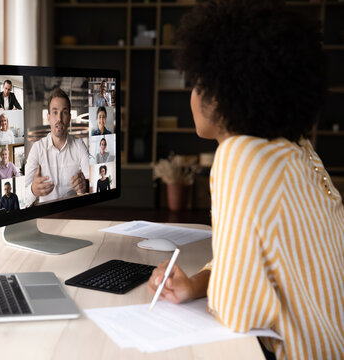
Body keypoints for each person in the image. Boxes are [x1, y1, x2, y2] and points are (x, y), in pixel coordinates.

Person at [147, 1, 343, 359]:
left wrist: (216, 291)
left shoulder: (240, 156)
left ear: (223, 92)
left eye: (198, 82)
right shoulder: (297, 150)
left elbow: (239, 312)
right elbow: (254, 261)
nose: (193, 93)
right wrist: (195, 285)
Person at [24, 88, 89, 205]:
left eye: (64, 112)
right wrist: (33, 190)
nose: (59, 119)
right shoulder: (37, 149)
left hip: (73, 212)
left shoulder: (79, 145)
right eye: (55, 112)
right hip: (46, 215)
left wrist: (86, 186)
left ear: (69, 117)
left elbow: (92, 182)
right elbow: (24, 197)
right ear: (48, 117)